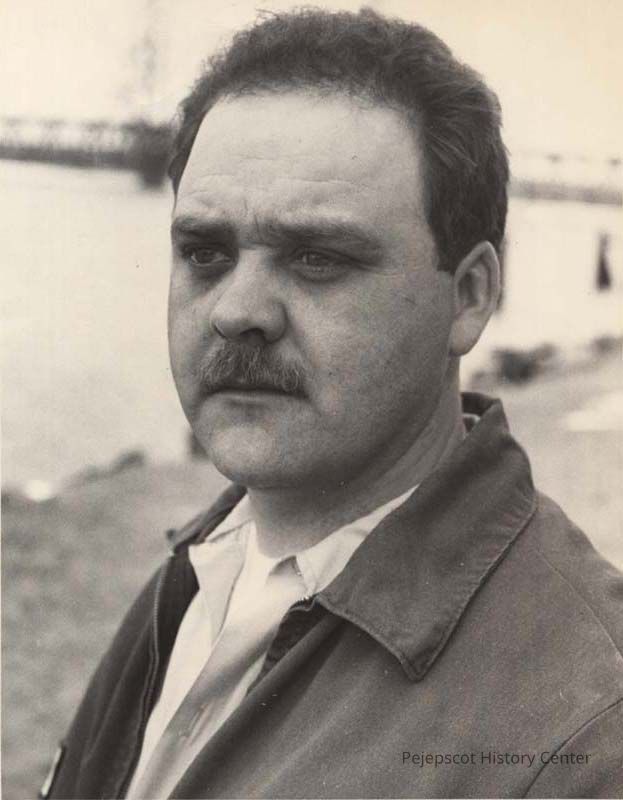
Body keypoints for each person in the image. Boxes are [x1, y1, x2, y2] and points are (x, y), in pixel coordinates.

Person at [43, 8, 623, 799]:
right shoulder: (203, 566)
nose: (236, 311)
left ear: (468, 296)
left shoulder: (584, 727)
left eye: (316, 257)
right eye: (205, 252)